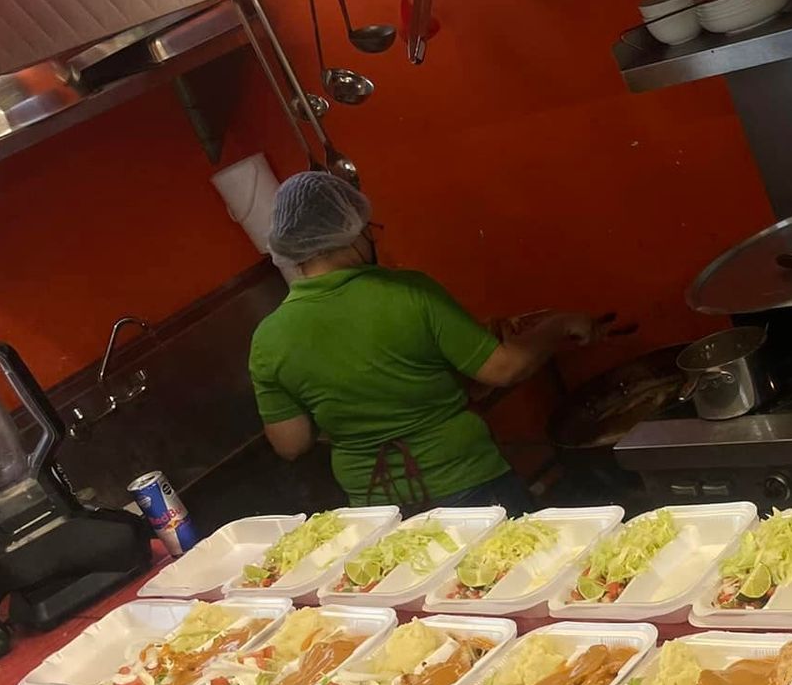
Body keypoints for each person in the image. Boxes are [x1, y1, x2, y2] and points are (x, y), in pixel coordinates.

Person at [248, 172, 618, 514]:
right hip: (468, 485)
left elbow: (290, 444)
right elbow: (504, 368)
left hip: (377, 511)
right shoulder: (408, 292)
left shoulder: (269, 338)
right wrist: (560, 325)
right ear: (350, 232)